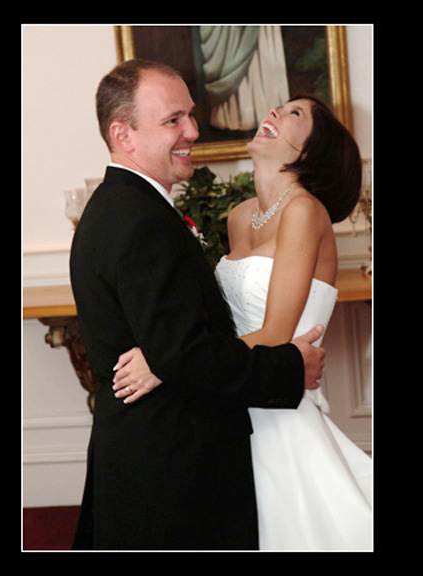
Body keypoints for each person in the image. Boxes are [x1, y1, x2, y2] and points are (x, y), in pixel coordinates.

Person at [68, 59, 328, 551]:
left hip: (147, 456)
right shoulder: (139, 219)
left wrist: (164, 357)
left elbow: (173, 346)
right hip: (173, 472)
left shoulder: (115, 207)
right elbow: (185, 355)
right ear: (123, 135)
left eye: (189, 115)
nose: (192, 130)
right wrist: (291, 366)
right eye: (173, 120)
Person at [113, 94, 374, 550]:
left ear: (312, 151)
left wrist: (163, 363)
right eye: (279, 106)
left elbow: (275, 336)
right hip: (231, 399)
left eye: (295, 114)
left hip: (279, 408)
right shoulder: (239, 217)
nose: (274, 112)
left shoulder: (304, 211)